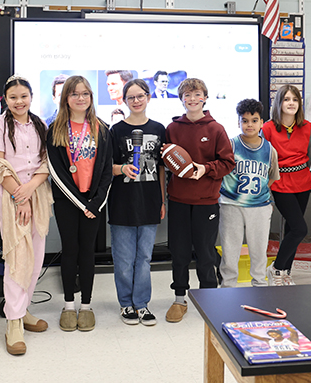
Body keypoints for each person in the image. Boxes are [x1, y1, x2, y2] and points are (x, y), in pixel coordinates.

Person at [0, 75, 53, 355]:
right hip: (12, 195)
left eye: (23, 96)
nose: (19, 102)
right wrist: (19, 195)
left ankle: (23, 310)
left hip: (37, 194)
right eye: (13, 97)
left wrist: (30, 189)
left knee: (36, 257)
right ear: (6, 99)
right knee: (17, 257)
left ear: (31, 97)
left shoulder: (41, 124)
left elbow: (47, 162)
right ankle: (13, 322)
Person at [165, 78, 235, 323]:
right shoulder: (172, 128)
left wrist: (205, 169)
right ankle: (179, 299)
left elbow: (228, 163)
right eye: (187, 95)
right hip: (178, 200)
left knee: (205, 253)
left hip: (206, 201)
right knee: (179, 252)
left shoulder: (216, 129)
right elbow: (168, 161)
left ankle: (209, 299)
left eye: (197, 94)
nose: (192, 99)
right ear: (181, 99)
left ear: (205, 98)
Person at [47, 75, 113, 332]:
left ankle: (86, 306)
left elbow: (106, 170)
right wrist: (80, 203)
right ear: (66, 98)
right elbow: (56, 171)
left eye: (85, 93)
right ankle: (68, 306)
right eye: (74, 93)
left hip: (93, 203)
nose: (80, 98)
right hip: (67, 201)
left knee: (87, 252)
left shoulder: (102, 129)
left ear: (91, 98)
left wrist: (95, 203)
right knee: (70, 250)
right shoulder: (55, 129)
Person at [108, 79, 166, 326]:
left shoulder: (159, 129)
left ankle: (141, 304)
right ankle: (126, 304)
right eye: (130, 97)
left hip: (150, 201)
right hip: (122, 202)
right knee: (123, 260)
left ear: (148, 97)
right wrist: (122, 168)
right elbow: (106, 167)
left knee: (144, 258)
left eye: (140, 96)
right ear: (124, 101)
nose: (136, 101)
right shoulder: (115, 130)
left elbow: (162, 168)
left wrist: (162, 200)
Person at [218, 99, 279, 287]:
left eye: (254, 120)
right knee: (230, 251)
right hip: (231, 205)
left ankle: (259, 286)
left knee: (259, 251)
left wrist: (258, 195)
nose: (249, 125)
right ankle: (228, 287)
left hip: (259, 207)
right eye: (244, 121)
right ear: (238, 122)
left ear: (262, 123)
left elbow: (271, 177)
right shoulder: (230, 145)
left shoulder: (269, 150)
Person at [262, 85, 311, 286]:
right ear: (279, 103)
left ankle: (285, 272)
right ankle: (276, 268)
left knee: (293, 229)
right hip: (280, 183)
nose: (291, 103)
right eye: (286, 99)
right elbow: (264, 159)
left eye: (295, 99)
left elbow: (309, 155)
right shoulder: (267, 128)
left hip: (303, 182)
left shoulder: (307, 126)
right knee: (300, 229)